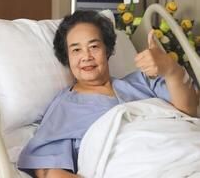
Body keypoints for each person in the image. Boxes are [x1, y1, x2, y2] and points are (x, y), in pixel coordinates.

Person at [17, 10, 199, 178]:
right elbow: (46, 169)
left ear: (108, 50)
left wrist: (170, 69)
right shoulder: (65, 107)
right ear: (67, 57)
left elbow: (188, 109)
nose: (86, 56)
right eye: (76, 50)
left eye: (94, 46)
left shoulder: (143, 81)